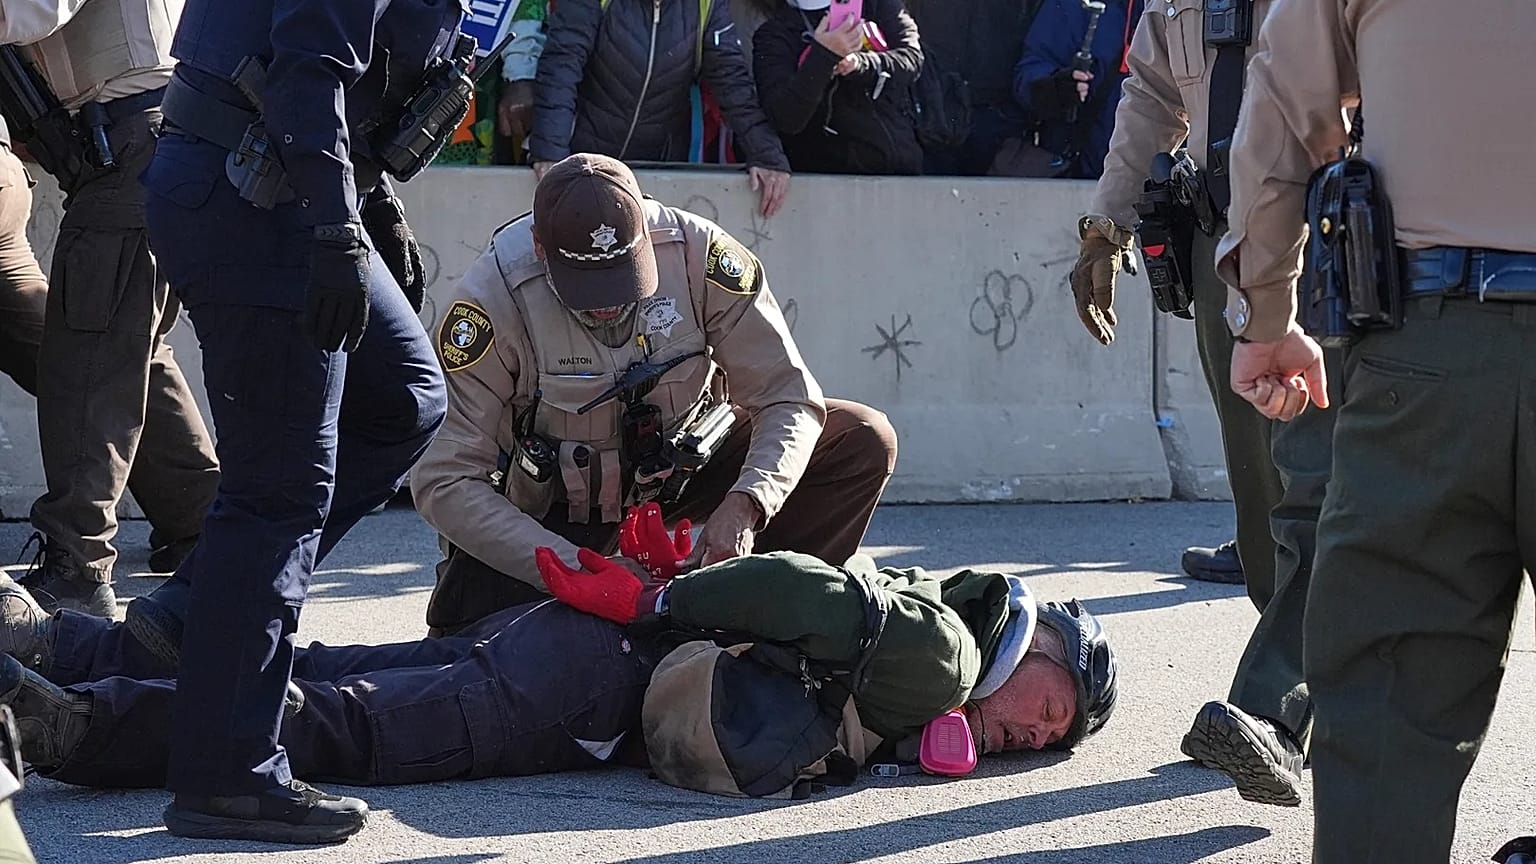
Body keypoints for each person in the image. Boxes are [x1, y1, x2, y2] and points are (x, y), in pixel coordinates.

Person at [101, 0, 459, 844]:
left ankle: (198, 614)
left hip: (285, 183)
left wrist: (363, 205)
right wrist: (337, 225)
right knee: (278, 494)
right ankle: (228, 774)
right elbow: (306, 66)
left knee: (403, 398)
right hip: (255, 200)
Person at [0, 531, 1118, 791]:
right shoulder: (946, 651)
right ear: (1032, 645)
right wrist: (670, 601)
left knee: (339, 663)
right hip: (592, 685)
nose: (1031, 732)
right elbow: (801, 588)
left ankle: (57, 641)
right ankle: (86, 729)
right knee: (348, 725)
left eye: (1046, 742)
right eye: (1050, 706)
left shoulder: (928, 618)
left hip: (569, 643)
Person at [1213, 0, 1536, 859]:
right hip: (1420, 345)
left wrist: (1267, 314)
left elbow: (1287, 103)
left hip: (1425, 355)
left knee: (1388, 714)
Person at [407, 153, 899, 637]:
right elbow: (444, 480)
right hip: (556, 510)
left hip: (681, 471)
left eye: (623, 278)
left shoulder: (700, 255)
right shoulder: (489, 303)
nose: (608, 305)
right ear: (540, 247)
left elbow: (788, 397)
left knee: (861, 439)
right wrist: (573, 567)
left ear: (645, 225)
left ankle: (764, 624)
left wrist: (747, 502)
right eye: (588, 288)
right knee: (473, 653)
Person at [1067, 0, 1332, 809]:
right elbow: (1152, 92)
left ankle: (1275, 707)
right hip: (1223, 249)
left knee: (1319, 490)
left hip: (1328, 245)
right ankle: (1307, 697)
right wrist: (1107, 226)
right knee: (1261, 503)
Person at [1, 0, 222, 616]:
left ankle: (76, 567)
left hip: (131, 143)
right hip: (146, 142)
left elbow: (34, 9)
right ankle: (202, 527)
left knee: (89, 362)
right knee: (126, 352)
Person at [530, 0, 794, 217]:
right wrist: (551, 154)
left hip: (656, 173)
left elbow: (730, 79)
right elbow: (561, 69)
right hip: (581, 161)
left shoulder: (706, 4)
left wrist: (767, 155)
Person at [750, 0, 924, 175]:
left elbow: (912, 59)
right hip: (830, 175)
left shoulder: (877, 4)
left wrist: (861, 63)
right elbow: (785, 119)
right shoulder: (774, 33)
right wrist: (823, 55)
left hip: (903, 165)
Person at [1011, 0, 1142, 179]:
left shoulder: (1176, 10)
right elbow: (1030, 72)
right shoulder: (1073, 5)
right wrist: (1054, 88)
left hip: (1160, 181)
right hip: (1080, 177)